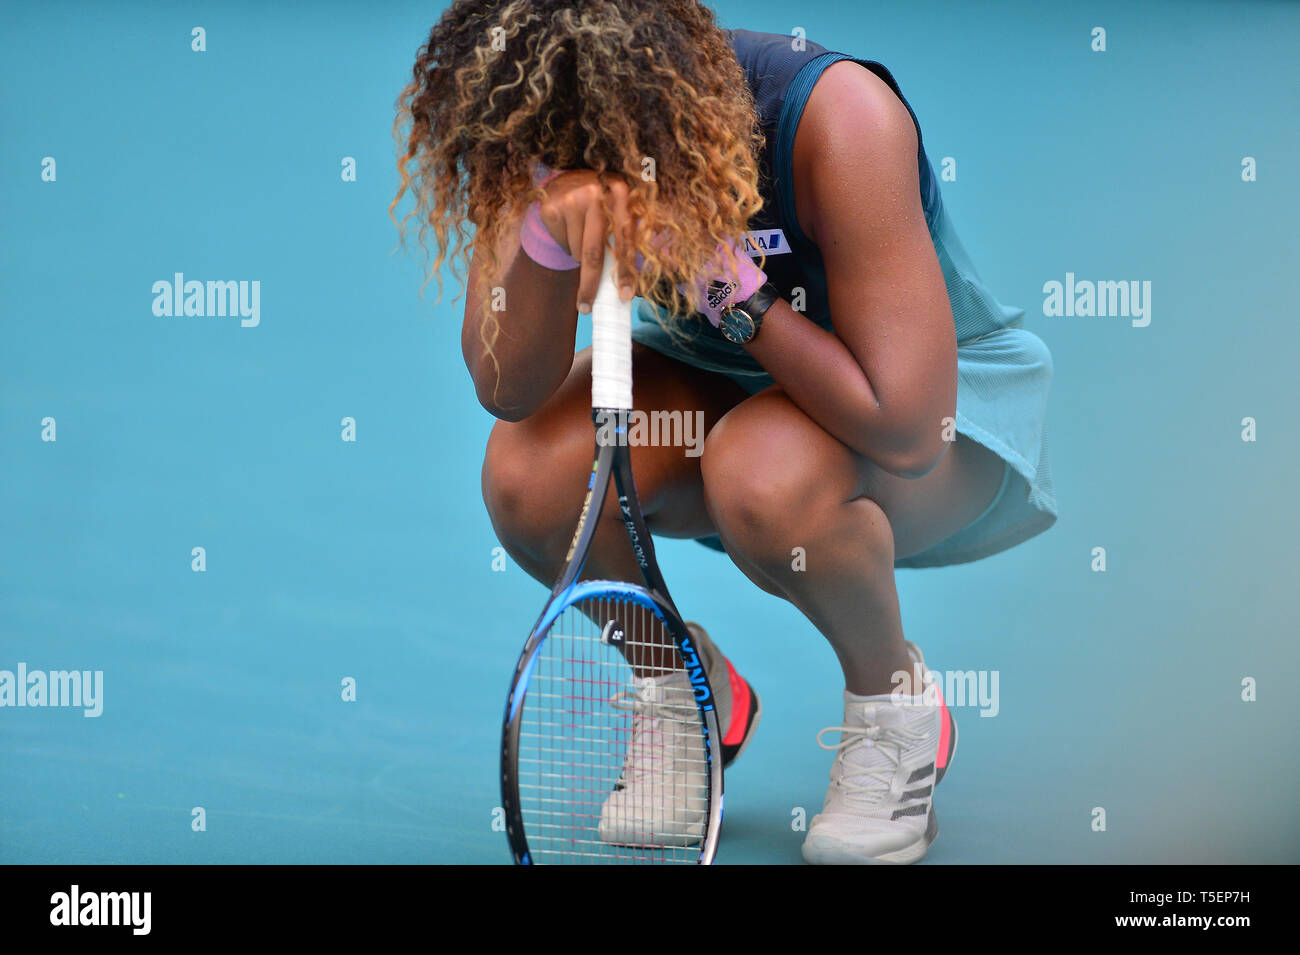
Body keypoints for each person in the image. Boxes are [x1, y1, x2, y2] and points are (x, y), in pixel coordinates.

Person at [393, 0, 1056, 864]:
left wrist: (736, 300)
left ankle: (897, 707)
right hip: (719, 390)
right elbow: (505, 389)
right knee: (530, 478)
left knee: (762, 473)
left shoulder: (838, 117)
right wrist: (544, 236)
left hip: (928, 412)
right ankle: (685, 689)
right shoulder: (539, 126)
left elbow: (910, 430)